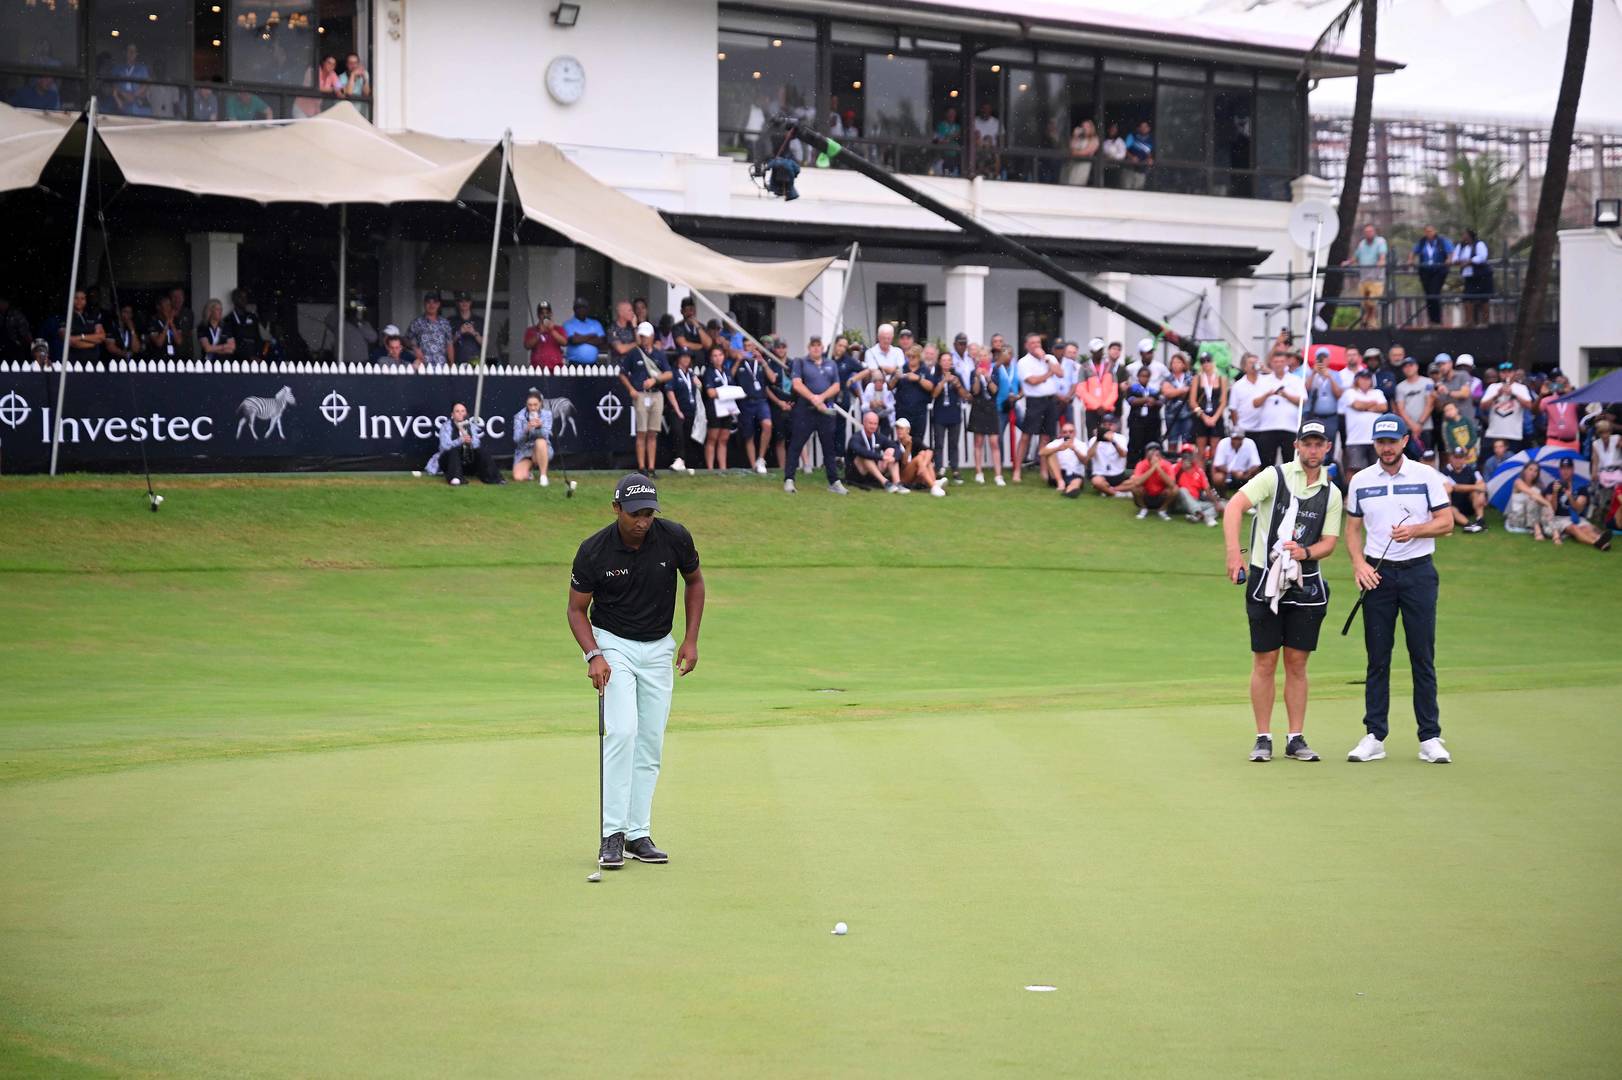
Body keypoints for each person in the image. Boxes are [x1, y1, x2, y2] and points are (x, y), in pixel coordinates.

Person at [567, 474, 704, 871]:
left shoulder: (674, 537)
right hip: (613, 644)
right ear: (616, 510)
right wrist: (594, 654)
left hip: (659, 647)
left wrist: (690, 640)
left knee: (650, 741)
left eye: (648, 513)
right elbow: (576, 610)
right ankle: (611, 834)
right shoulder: (594, 550)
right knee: (623, 731)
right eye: (635, 514)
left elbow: (694, 582)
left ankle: (637, 833)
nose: (643, 521)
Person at [1222, 419, 1343, 763]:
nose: (1313, 449)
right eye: (1308, 443)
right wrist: (1235, 554)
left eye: (1319, 444)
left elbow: (1329, 543)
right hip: (1265, 579)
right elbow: (1235, 506)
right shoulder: (1274, 477)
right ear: (1297, 446)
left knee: (1297, 662)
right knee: (1265, 660)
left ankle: (1295, 737)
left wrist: (1305, 553)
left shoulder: (1331, 493)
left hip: (1306, 584)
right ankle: (1263, 737)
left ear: (1327, 448)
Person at [1344, 414, 1456, 764]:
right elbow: (1352, 529)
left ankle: (1430, 737)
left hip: (1419, 574)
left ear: (1405, 441)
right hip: (1377, 575)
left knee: (1422, 655)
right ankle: (1374, 735)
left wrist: (1416, 531)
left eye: (1393, 441)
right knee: (1377, 657)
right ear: (1374, 444)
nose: (1387, 448)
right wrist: (1359, 565)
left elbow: (1447, 523)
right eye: (1381, 442)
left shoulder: (1425, 476)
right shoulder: (1361, 480)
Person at [783, 336, 847, 496]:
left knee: (828, 447)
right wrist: (813, 398)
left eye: (818, 345)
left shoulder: (830, 364)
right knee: (797, 444)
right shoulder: (800, 362)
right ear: (808, 347)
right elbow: (797, 384)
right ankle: (789, 479)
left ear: (823, 347)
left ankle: (834, 482)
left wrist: (821, 398)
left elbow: (836, 386)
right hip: (805, 410)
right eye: (813, 345)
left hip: (825, 410)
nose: (816, 348)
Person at [622, 323, 670, 477]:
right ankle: (641, 467)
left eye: (645, 335)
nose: (643, 338)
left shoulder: (659, 354)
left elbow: (669, 374)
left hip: (656, 394)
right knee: (641, 432)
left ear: (651, 336)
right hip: (641, 395)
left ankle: (651, 467)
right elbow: (622, 373)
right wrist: (631, 389)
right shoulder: (634, 354)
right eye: (641, 335)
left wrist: (655, 380)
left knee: (652, 433)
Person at [1014, 333, 1062, 483]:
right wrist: (1049, 373)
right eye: (1032, 343)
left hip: (1050, 401)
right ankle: (1017, 471)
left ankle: (1044, 471)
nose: (1036, 345)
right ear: (1026, 346)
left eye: (1038, 342)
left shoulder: (1050, 358)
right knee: (1026, 436)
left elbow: (1060, 373)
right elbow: (1033, 381)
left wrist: (1047, 360)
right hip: (1034, 402)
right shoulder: (1023, 362)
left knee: (1046, 437)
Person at [1248, 352, 1302, 467]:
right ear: (1271, 363)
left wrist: (1286, 395)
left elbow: (1303, 401)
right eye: (1276, 362)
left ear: (1286, 363)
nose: (1279, 364)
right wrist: (1267, 395)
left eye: (1281, 361)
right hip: (1268, 428)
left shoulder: (1295, 380)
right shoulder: (1263, 380)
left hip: (1289, 427)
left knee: (1290, 463)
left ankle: (1288, 485)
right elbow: (1255, 403)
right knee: (1266, 464)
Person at [1546, 459, 1612, 550]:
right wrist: (1554, 493)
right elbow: (1552, 509)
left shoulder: (1580, 487)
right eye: (1563, 468)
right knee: (1574, 528)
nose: (1565, 471)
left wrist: (1570, 497)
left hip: (1576, 516)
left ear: (1573, 470)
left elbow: (1579, 508)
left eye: (1568, 468)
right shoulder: (1552, 486)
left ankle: (1600, 540)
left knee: (1587, 528)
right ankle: (1596, 542)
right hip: (1560, 518)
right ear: (1559, 470)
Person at [435, 403, 502, 486]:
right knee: (454, 451)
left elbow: (477, 444)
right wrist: (460, 440)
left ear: (466, 413)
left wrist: (470, 442)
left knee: (481, 451)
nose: (460, 413)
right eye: (457, 411)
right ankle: (455, 478)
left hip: (468, 461)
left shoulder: (471, 426)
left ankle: (494, 478)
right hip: (449, 463)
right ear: (452, 414)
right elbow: (444, 446)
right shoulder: (446, 427)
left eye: (463, 411)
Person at [968, 347, 1005, 486]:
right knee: (978, 441)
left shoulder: (995, 371)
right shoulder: (973, 372)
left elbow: (995, 390)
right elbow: (975, 391)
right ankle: (979, 472)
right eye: (980, 355)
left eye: (985, 355)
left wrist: (988, 377)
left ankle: (998, 475)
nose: (982, 358)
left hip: (991, 409)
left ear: (989, 357)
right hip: (978, 407)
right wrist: (978, 377)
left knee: (994, 442)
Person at [929, 348, 966, 481]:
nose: (946, 363)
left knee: (954, 443)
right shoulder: (935, 376)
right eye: (943, 360)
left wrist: (957, 384)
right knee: (938, 443)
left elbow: (964, 395)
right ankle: (939, 468)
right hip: (940, 413)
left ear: (951, 363)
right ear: (939, 362)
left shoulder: (958, 376)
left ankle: (955, 468)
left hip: (954, 413)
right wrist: (944, 381)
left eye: (948, 360)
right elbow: (933, 394)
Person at [847, 410, 905, 493]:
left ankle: (897, 483)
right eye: (870, 423)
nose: (873, 426)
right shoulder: (856, 437)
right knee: (865, 456)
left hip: (875, 470)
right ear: (864, 423)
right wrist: (881, 457)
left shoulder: (879, 436)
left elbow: (896, 447)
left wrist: (894, 458)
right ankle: (886, 483)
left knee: (891, 450)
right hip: (858, 473)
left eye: (875, 424)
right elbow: (860, 451)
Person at [1342, 223, 1388, 328]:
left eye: (1370, 231)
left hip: (1376, 278)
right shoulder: (1362, 244)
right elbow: (1356, 256)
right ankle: (1370, 321)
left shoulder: (1380, 242)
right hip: (1364, 277)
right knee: (1365, 302)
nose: (1368, 234)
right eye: (1366, 232)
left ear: (1374, 232)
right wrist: (1348, 262)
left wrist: (1381, 261)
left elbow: (1382, 256)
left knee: (1372, 300)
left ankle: (1368, 319)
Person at [1480, 364, 1532, 453]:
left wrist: (1513, 394)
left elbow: (1529, 405)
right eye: (1503, 372)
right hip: (1495, 433)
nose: (1506, 374)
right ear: (1500, 374)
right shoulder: (1493, 387)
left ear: (1514, 373)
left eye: (1509, 372)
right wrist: (1497, 395)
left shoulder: (1521, 388)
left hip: (1514, 434)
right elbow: (1483, 406)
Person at [1301, 347, 1343, 459]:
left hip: (1330, 417)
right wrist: (1314, 372)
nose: (1322, 361)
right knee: (1313, 441)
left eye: (1324, 358)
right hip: (1314, 415)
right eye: (1319, 358)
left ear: (1328, 360)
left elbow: (1338, 394)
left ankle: (1328, 467)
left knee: (1329, 443)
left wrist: (1329, 377)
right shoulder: (1310, 373)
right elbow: (1306, 390)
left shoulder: (1335, 374)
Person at [1392, 355, 1435, 460]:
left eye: (1411, 365)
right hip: (1408, 429)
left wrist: (1419, 424)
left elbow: (1430, 403)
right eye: (1405, 366)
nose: (1408, 368)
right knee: (1410, 459)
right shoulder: (1400, 387)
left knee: (1428, 459)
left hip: (1426, 427)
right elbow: (1400, 409)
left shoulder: (1428, 382)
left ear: (1416, 367)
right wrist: (1413, 426)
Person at [1410, 225, 1454, 327]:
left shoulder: (1441, 241)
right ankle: (1432, 320)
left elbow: (1450, 252)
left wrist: (1448, 259)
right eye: (1427, 231)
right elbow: (1414, 251)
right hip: (1425, 271)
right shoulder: (1422, 242)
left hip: (1438, 270)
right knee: (1428, 295)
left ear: (1434, 231)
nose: (1428, 233)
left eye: (1430, 231)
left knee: (1434, 293)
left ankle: (1437, 320)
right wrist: (1411, 259)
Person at [665, 349, 700, 474]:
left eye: (688, 357)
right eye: (683, 357)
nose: (686, 359)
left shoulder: (690, 374)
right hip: (678, 410)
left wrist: (697, 382)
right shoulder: (673, 373)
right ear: (678, 358)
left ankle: (683, 461)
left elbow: (699, 388)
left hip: (690, 410)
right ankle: (678, 459)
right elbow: (670, 391)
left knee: (686, 437)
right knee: (678, 434)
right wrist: (677, 409)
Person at [893, 346, 935, 449]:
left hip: (919, 412)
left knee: (917, 440)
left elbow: (931, 387)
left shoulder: (924, 370)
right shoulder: (902, 368)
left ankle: (915, 463)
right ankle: (903, 463)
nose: (911, 359)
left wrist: (918, 379)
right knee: (902, 439)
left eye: (914, 357)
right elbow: (890, 386)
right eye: (909, 356)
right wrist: (895, 377)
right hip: (903, 410)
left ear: (919, 357)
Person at [1191, 352, 1229, 467]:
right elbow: (1192, 401)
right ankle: (1200, 480)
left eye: (1208, 360)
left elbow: (1223, 401)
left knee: (1215, 451)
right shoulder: (1197, 379)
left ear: (1213, 362)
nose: (1206, 364)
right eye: (1203, 361)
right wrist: (1203, 416)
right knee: (1201, 452)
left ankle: (1214, 480)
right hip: (1201, 416)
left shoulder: (1221, 379)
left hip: (1216, 416)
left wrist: (1214, 418)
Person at [700, 344, 734, 471]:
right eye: (715, 356)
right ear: (711, 358)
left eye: (720, 355)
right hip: (714, 408)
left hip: (727, 408)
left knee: (724, 438)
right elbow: (710, 393)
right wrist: (725, 392)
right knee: (712, 438)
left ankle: (723, 468)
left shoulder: (727, 371)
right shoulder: (709, 372)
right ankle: (710, 468)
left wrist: (722, 392)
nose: (718, 358)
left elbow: (733, 388)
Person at [893, 419, 945, 496]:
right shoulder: (895, 444)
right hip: (903, 477)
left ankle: (933, 484)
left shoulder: (915, 440)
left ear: (908, 430)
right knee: (919, 458)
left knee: (924, 455)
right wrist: (908, 447)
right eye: (897, 428)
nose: (899, 431)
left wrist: (923, 465)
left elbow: (930, 452)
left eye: (901, 428)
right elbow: (903, 464)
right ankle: (934, 485)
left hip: (917, 474)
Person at [1123, 365, 1163, 467]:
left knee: (1150, 446)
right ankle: (1132, 468)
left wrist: (1154, 402)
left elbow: (1161, 402)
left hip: (1151, 423)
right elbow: (1131, 401)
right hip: (1137, 422)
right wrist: (1145, 400)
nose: (1144, 378)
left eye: (1146, 376)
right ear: (1138, 376)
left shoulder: (1153, 390)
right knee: (1135, 446)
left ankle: (1149, 467)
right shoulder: (1133, 388)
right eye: (1142, 376)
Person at [1440, 448, 1487, 533]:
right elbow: (1456, 487)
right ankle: (1469, 525)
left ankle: (1480, 520)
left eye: (1460, 458)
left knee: (1477, 494)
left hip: (1469, 503)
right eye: (1456, 458)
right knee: (1450, 508)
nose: (1458, 460)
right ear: (1451, 458)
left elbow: (1482, 484)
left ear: (1464, 459)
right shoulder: (1445, 471)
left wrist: (1482, 493)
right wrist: (1476, 487)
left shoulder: (1471, 469)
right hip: (1454, 504)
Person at [512, 389, 553, 486]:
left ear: (540, 403)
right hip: (525, 452)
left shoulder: (547, 415)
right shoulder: (519, 416)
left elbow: (546, 435)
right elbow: (516, 440)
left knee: (540, 441)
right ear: (526, 404)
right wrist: (526, 430)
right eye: (530, 405)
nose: (533, 408)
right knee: (518, 477)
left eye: (535, 404)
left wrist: (539, 427)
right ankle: (529, 470)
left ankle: (543, 476)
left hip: (543, 449)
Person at [1453, 228, 1492, 327]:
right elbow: (1455, 258)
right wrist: (1459, 262)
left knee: (1484, 298)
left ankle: (1485, 322)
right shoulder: (1461, 246)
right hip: (1469, 276)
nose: (1463, 236)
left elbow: (1482, 257)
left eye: (1465, 234)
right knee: (1467, 298)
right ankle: (1469, 321)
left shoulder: (1479, 244)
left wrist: (1469, 261)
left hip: (1482, 275)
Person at [1172, 444, 1219, 525]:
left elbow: (1207, 490)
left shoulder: (1199, 471)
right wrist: (1181, 470)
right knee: (1182, 490)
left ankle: (1199, 517)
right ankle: (1198, 513)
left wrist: (1216, 503)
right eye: (1184, 454)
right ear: (1181, 456)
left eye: (1189, 454)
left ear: (1193, 456)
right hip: (1179, 502)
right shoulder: (1175, 467)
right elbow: (1170, 485)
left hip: (1195, 501)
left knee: (1215, 506)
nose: (1186, 457)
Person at [1086, 415, 1132, 497]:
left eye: (1110, 425)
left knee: (1135, 480)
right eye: (1104, 425)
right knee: (1096, 481)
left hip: (1118, 475)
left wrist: (1113, 441)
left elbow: (1123, 454)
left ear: (1115, 426)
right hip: (1101, 475)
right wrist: (1098, 439)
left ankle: (1107, 490)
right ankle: (1116, 493)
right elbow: (1089, 456)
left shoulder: (1121, 438)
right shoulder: (1093, 440)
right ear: (1101, 426)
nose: (1107, 427)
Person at [1040, 421, 1089, 497]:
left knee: (1077, 481)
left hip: (1075, 475)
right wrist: (1058, 448)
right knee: (1050, 453)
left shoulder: (1081, 444)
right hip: (1058, 474)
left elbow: (1085, 462)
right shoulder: (1057, 442)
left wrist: (1075, 450)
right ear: (1062, 434)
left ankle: (1069, 491)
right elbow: (1041, 452)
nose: (1068, 434)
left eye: (1071, 432)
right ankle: (1061, 482)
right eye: (1065, 432)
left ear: (1075, 433)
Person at [1131, 442, 1177, 520]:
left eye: (1156, 450)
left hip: (1161, 496)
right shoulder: (1141, 464)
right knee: (1135, 487)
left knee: (1175, 489)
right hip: (1146, 495)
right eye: (1151, 450)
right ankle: (1143, 508)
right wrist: (1152, 468)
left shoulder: (1166, 464)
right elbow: (1137, 482)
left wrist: (1158, 468)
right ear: (1146, 453)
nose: (1154, 453)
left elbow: (1172, 484)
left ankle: (1162, 510)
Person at [408, 292, 453, 367]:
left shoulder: (445, 323)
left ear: (438, 304)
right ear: (424, 304)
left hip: (441, 366)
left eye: (434, 302)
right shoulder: (417, 322)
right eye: (428, 302)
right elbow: (405, 340)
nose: (431, 305)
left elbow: (449, 345)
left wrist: (451, 365)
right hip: (423, 366)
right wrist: (414, 347)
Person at [61, 290, 105, 365]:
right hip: (74, 362)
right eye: (76, 298)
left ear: (86, 301)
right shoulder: (66, 316)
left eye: (82, 298)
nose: (79, 301)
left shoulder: (92, 315)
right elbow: (68, 340)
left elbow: (101, 337)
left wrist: (80, 337)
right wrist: (92, 343)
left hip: (93, 362)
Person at [1160, 353, 1193, 452]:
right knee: (1172, 441)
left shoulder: (1190, 378)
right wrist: (1183, 390)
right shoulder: (1168, 378)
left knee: (1187, 442)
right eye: (1173, 362)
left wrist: (1174, 391)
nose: (1175, 365)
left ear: (1184, 364)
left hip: (1187, 414)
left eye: (1178, 362)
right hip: (1171, 414)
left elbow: (1192, 393)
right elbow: (1167, 393)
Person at [1212, 429, 1262, 495]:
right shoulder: (1223, 443)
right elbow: (1218, 464)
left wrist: (1246, 474)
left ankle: (1254, 496)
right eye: (1234, 439)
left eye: (1239, 439)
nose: (1236, 441)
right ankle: (1221, 496)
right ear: (1231, 438)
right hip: (1228, 474)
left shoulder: (1250, 443)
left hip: (1245, 474)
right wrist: (1233, 472)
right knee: (1218, 477)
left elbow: (1256, 464)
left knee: (1258, 475)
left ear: (1242, 439)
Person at [223, 289, 263, 361]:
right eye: (240, 297)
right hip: (236, 360)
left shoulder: (252, 317)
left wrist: (258, 354)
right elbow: (229, 343)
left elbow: (258, 337)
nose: (244, 300)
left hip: (255, 359)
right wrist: (247, 357)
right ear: (234, 300)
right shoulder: (228, 320)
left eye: (245, 297)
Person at [563, 298, 606, 365]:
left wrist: (580, 338)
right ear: (574, 309)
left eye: (584, 307)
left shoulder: (595, 323)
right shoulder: (568, 324)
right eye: (578, 307)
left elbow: (601, 341)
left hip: (593, 365)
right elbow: (573, 340)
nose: (581, 309)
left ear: (588, 309)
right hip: (574, 365)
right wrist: (591, 336)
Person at [523, 302, 566, 368]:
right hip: (537, 369)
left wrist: (551, 330)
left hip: (556, 368)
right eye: (542, 313)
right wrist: (539, 332)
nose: (545, 315)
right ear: (538, 315)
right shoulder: (531, 330)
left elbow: (564, 343)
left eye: (547, 313)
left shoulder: (558, 329)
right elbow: (527, 346)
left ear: (551, 314)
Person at [448, 291, 483, 365]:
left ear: (470, 302)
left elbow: (485, 344)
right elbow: (447, 344)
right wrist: (459, 333)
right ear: (457, 303)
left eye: (467, 301)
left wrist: (474, 333)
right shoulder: (451, 320)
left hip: (475, 362)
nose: (464, 303)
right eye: (461, 301)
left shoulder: (479, 320)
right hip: (457, 361)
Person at [1063, 119, 1099, 186]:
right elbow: (1070, 148)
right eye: (1083, 126)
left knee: (1077, 183)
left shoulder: (1094, 139)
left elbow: (1085, 152)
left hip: (1083, 166)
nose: (1084, 128)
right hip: (1072, 164)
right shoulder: (1079, 138)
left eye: (1087, 127)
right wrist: (1075, 136)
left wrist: (1075, 153)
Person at [1122, 120, 1153, 190]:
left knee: (1138, 190)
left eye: (1145, 127)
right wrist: (1132, 157)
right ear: (1138, 128)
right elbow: (1124, 149)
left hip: (1141, 169)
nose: (1144, 128)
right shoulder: (1132, 136)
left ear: (1149, 128)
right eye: (1142, 127)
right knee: (1127, 188)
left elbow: (1148, 152)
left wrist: (1149, 158)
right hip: (1129, 167)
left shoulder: (1150, 140)